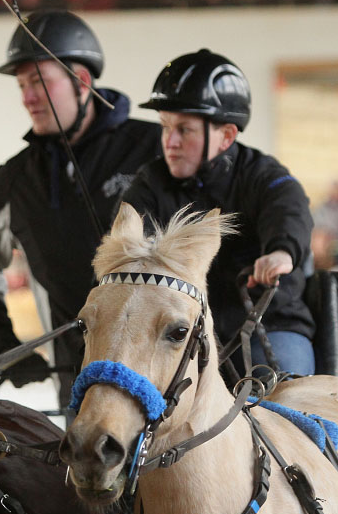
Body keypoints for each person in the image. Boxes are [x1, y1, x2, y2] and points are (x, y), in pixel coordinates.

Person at [0, 10, 161, 408]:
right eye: (22, 86)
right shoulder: (16, 180)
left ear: (82, 81)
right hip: (82, 389)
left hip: (175, 377)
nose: (27, 98)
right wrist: (5, 348)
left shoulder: (157, 150)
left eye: (39, 83)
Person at [121, 49, 316, 377]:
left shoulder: (262, 175)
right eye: (166, 127)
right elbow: (128, 241)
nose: (170, 141)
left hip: (269, 326)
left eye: (184, 129)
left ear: (226, 135)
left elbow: (288, 209)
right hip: (180, 334)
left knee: (292, 408)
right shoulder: (150, 182)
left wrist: (281, 252)